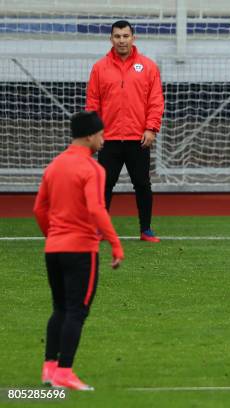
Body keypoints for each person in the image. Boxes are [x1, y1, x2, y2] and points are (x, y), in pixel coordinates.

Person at [34, 111, 124, 391]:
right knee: (77, 311)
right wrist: (115, 243)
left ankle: (49, 369)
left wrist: (53, 235)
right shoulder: (93, 169)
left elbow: (39, 209)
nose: (103, 139)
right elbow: (97, 209)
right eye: (101, 134)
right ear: (89, 136)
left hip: (54, 249)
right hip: (81, 250)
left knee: (59, 308)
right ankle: (65, 371)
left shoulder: (54, 166)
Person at [86, 20, 164, 242]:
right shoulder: (99, 68)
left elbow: (156, 101)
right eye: (117, 36)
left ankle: (145, 229)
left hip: (138, 138)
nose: (122, 40)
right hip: (108, 139)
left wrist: (151, 128)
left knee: (142, 184)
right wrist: (95, 132)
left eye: (125, 36)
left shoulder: (148, 67)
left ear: (133, 38)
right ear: (111, 39)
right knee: (104, 185)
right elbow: (92, 103)